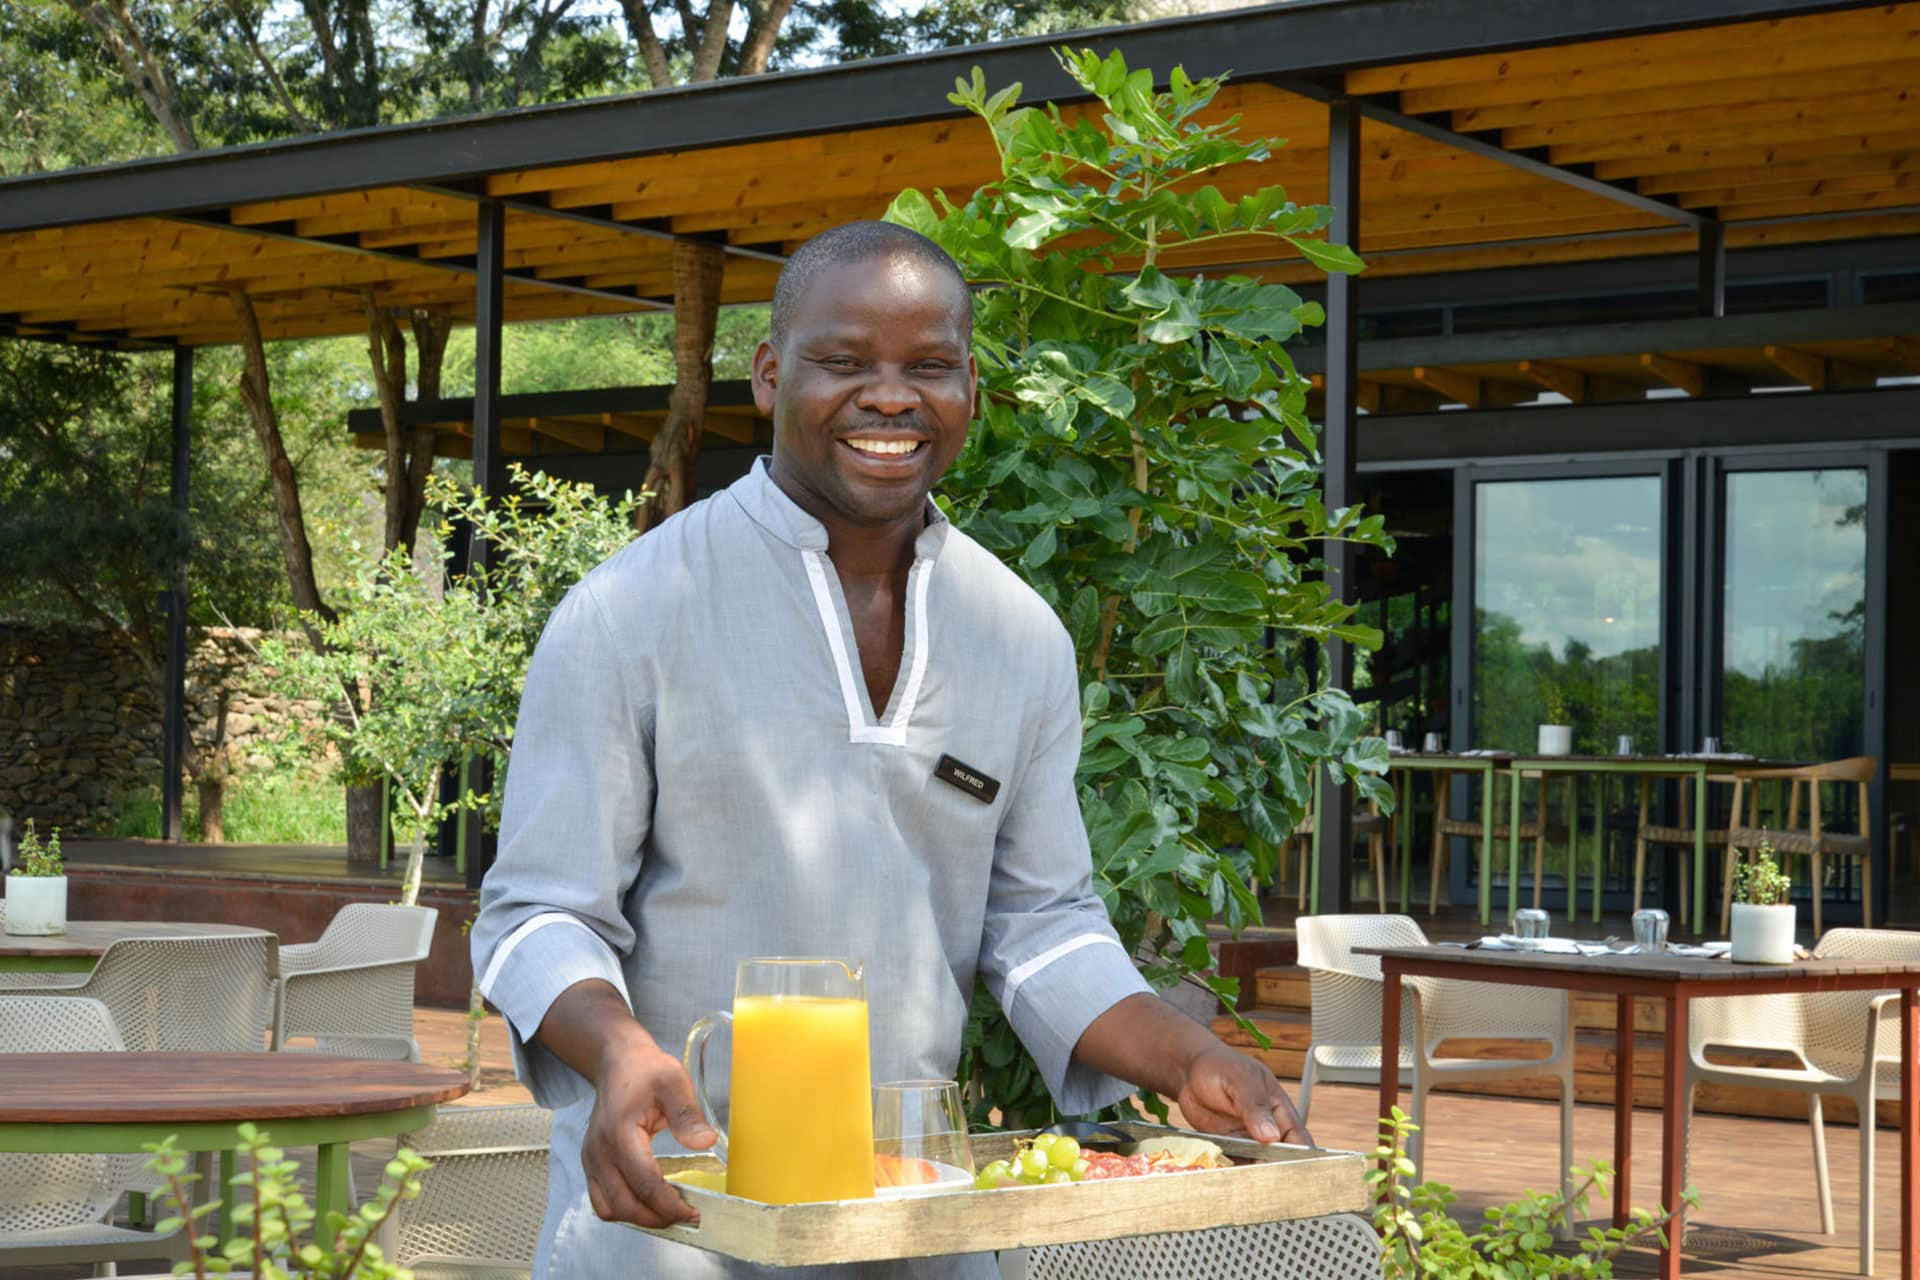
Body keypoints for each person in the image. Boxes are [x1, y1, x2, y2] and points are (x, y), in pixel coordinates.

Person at [471, 221, 1310, 1280]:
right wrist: (616, 1048)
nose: (890, 396)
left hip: (918, 1222)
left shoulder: (1018, 634)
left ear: (970, 387)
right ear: (770, 376)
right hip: (672, 1212)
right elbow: (536, 912)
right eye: (843, 361)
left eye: (929, 365)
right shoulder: (631, 610)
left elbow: (1043, 923)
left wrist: (1189, 1055)